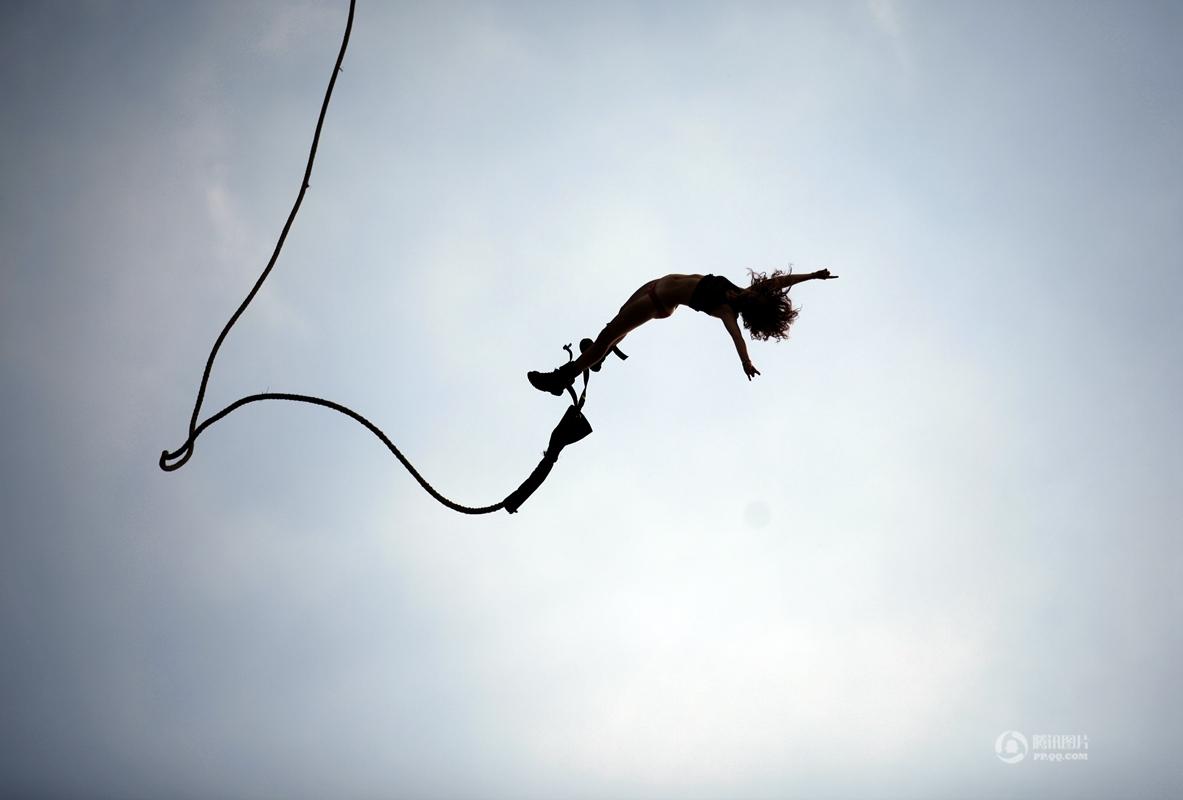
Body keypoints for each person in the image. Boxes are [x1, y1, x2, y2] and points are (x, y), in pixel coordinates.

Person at [527, 267, 838, 394]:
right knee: (615, 326)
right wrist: (813, 276)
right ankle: (598, 359)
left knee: (608, 335)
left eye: (757, 295)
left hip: (657, 301)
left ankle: (561, 377)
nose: (756, 290)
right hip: (654, 285)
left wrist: (745, 361)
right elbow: (779, 283)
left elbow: (737, 337)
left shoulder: (727, 310)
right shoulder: (740, 290)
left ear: (753, 307)